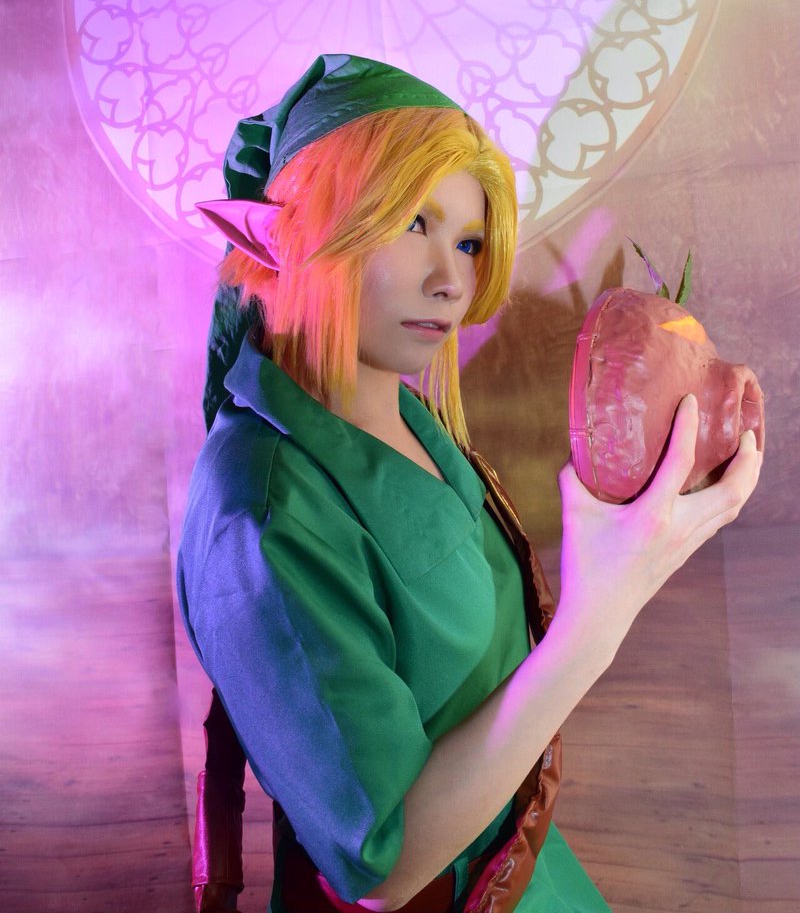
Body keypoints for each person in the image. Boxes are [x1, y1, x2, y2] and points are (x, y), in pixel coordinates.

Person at [177, 54, 762, 913]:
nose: (451, 280)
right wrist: (598, 619)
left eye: (467, 241)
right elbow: (382, 870)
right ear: (287, 236)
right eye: (410, 223)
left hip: (526, 861)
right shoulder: (259, 521)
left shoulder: (410, 415)